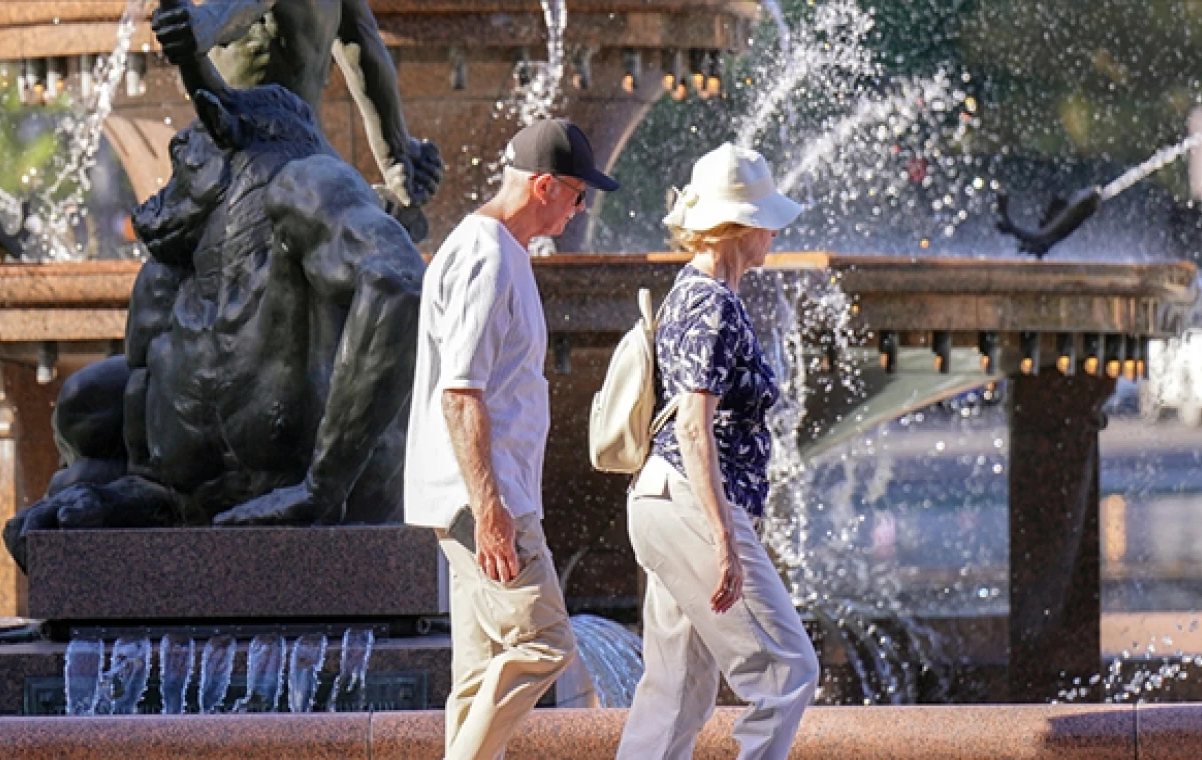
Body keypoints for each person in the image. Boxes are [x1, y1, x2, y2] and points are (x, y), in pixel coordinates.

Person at [404, 118, 619, 760]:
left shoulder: (493, 249)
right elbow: (461, 394)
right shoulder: (489, 257)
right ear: (545, 186)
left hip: (472, 498)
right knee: (545, 644)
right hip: (486, 502)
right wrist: (492, 511)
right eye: (578, 194)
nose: (581, 208)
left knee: (477, 678)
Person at [616, 143, 819, 760]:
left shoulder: (692, 291)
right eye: (767, 220)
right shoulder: (711, 303)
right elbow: (693, 428)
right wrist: (723, 537)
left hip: (663, 499)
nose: (774, 233)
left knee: (677, 692)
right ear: (740, 226)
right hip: (692, 503)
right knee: (787, 673)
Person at [151, 0, 443, 221]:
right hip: (303, 155)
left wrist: (201, 24)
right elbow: (369, 55)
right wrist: (398, 157)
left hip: (248, 161)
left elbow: (242, 7)